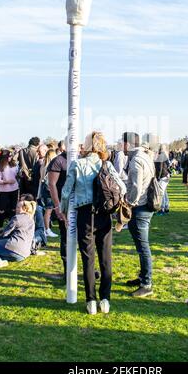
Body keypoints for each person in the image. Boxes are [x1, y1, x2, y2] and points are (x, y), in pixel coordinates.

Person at [61, 131, 126, 315]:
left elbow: (66, 192)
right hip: (104, 213)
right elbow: (121, 187)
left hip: (84, 213)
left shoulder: (77, 164)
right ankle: (105, 298)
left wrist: (64, 212)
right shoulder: (106, 164)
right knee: (106, 258)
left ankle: (91, 300)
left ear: (88, 145)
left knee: (87, 258)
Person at [124, 135, 156, 298]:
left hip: (140, 206)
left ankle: (146, 284)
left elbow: (136, 186)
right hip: (145, 205)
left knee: (143, 247)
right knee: (141, 245)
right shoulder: (145, 155)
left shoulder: (137, 159)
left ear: (127, 144)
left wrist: (129, 203)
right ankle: (143, 277)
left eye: (121, 143)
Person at [47, 145, 68, 281]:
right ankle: (67, 272)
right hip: (64, 206)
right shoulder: (58, 161)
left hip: (81, 205)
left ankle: (89, 270)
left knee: (85, 239)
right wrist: (57, 205)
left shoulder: (81, 159)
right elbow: (52, 184)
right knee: (66, 238)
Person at [0, 150, 19, 232]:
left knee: (13, 208)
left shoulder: (14, 165)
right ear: (4, 157)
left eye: (11, 156)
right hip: (4, 191)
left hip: (15, 189)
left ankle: (12, 226)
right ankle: (0, 226)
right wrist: (8, 182)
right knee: (2, 209)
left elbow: (16, 175)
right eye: (9, 156)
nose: (11, 157)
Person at [39, 148, 58, 238]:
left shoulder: (43, 165)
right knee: (48, 210)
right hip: (48, 189)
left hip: (44, 189)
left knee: (47, 210)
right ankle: (47, 229)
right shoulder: (50, 167)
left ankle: (46, 228)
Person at [155, 144, 170, 214]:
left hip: (162, 176)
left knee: (161, 193)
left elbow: (159, 167)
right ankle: (166, 207)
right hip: (166, 175)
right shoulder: (165, 154)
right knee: (165, 192)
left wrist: (158, 177)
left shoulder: (161, 155)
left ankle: (162, 208)